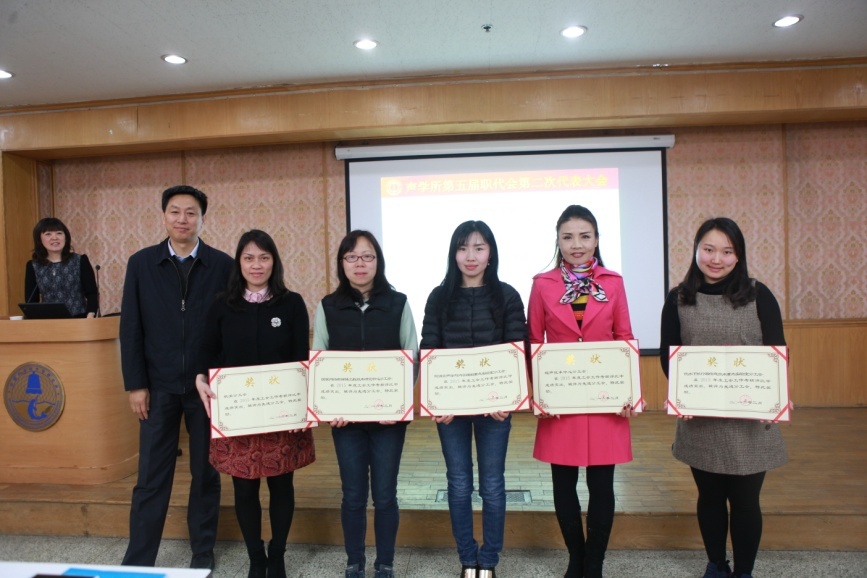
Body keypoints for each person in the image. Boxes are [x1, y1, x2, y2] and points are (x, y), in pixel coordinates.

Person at [659, 217, 787, 578]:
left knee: (746, 501)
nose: (717, 259)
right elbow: (670, 356)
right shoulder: (678, 297)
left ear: (739, 255)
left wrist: (779, 395)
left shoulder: (759, 294)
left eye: (727, 251)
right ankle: (716, 564)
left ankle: (744, 571)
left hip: (751, 420)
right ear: (696, 250)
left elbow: (776, 351)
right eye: (709, 249)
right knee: (710, 498)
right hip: (701, 420)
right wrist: (681, 395)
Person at [119, 185, 233, 569]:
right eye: (175, 211)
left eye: (190, 213)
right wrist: (136, 384)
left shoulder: (222, 265)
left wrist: (219, 378)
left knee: (205, 474)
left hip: (205, 388)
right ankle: (138, 560)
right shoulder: (141, 263)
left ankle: (202, 553)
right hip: (157, 386)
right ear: (164, 216)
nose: (182, 219)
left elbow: (228, 328)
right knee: (151, 477)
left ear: (202, 218)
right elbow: (131, 328)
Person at [194, 229, 314, 578]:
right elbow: (206, 351)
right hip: (238, 414)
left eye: (264, 257)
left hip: (281, 412)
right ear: (239, 262)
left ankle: (277, 555)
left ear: (274, 262)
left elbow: (301, 359)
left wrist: (302, 405)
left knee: (282, 485)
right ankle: (255, 558)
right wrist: (200, 377)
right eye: (249, 258)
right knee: (244, 488)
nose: (256, 264)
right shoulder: (222, 304)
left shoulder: (291, 303)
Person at [529, 205, 637, 578]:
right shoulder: (542, 284)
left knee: (602, 485)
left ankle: (594, 563)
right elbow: (533, 343)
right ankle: (576, 558)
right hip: (560, 400)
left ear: (596, 240)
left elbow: (624, 338)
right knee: (564, 485)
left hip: (606, 401)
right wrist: (538, 394)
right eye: (568, 237)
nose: (576, 244)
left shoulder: (614, 282)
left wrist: (629, 393)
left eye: (584, 236)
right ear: (558, 241)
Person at [419, 220, 527, 578]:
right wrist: (435, 401)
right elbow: (430, 347)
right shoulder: (439, 297)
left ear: (490, 253)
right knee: (459, 483)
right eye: (463, 248)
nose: (471, 256)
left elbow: (517, 348)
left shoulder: (507, 296)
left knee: (493, 485)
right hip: (451, 411)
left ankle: (490, 559)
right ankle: (467, 558)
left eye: (479, 248)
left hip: (495, 410)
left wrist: (508, 398)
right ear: (454, 253)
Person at [311, 230, 418, 578]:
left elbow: (412, 357)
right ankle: (354, 561)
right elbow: (319, 360)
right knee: (353, 494)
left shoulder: (398, 303)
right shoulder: (328, 306)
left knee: (385, 495)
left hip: (389, 422)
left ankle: (385, 561)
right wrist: (329, 408)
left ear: (378, 262)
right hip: (346, 423)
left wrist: (397, 404)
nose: (360, 263)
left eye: (368, 256)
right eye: (352, 257)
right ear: (342, 263)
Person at [24, 217, 98, 318]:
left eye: (59, 233)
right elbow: (31, 301)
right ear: (39, 239)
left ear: (65, 237)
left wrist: (90, 315)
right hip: (48, 321)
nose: (54, 238)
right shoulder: (33, 266)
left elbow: (92, 293)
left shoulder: (80, 261)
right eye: (48, 234)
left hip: (79, 319)